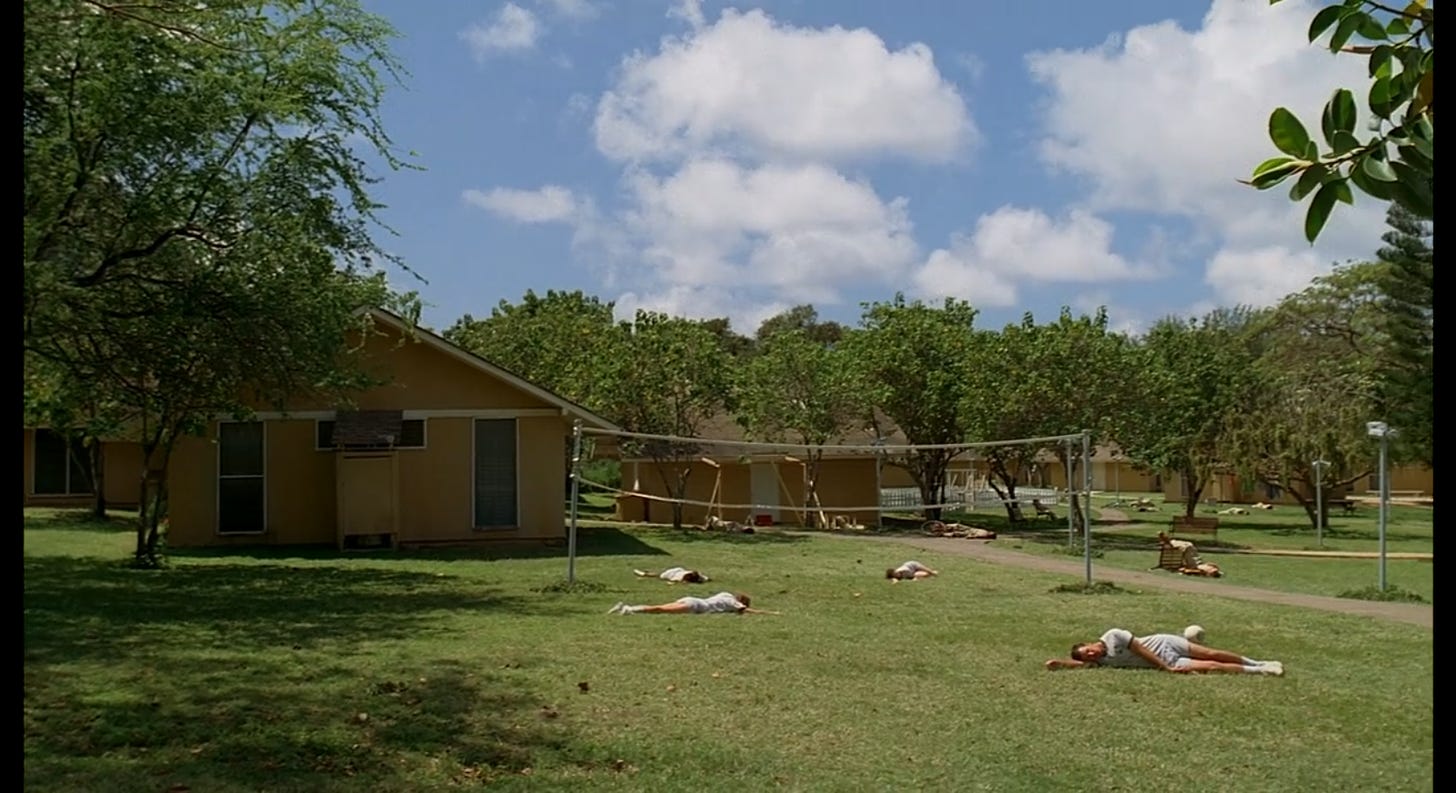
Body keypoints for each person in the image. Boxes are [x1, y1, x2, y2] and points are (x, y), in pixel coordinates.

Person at [1044, 627, 1284, 676]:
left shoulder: (1113, 635)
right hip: (1169, 661)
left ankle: (1259, 661)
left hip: (1165, 645)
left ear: (1090, 642)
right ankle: (1261, 671)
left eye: (1089, 650)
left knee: (1211, 654)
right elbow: (1082, 665)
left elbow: (1139, 648)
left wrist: (1165, 667)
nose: (1091, 655)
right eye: (1088, 656)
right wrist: (1061, 663)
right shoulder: (1102, 661)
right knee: (1212, 667)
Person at [607, 591, 779, 616]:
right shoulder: (733, 602)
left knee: (661, 606)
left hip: (692, 599)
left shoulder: (725, 594)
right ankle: (630, 610)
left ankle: (628, 608)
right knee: (661, 610)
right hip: (697, 606)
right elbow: (749, 611)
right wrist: (771, 613)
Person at [1157, 531, 1223, 577]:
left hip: (1194, 565)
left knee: (1187, 547)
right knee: (1189, 544)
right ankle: (1169, 542)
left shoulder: (1203, 572)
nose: (1213, 570)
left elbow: (1192, 571)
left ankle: (1169, 542)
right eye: (1214, 571)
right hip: (1198, 562)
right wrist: (1212, 566)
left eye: (1213, 572)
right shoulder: (1213, 568)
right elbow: (1211, 565)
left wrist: (1185, 570)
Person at [633, 566, 709, 584]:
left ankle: (645, 574)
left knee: (659, 575)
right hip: (672, 573)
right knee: (659, 576)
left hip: (679, 570)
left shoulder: (697, 575)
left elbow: (706, 579)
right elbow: (673, 581)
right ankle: (645, 574)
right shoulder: (679, 578)